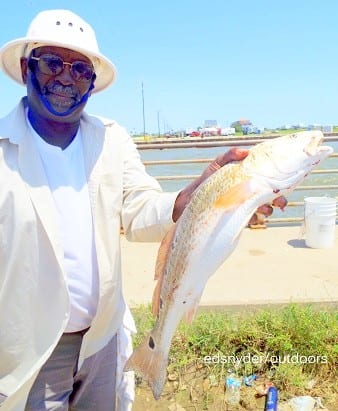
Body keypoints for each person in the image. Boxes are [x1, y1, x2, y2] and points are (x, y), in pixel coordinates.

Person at [0, 9, 285, 411]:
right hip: (30, 352)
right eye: (52, 63)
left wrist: (193, 199)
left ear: (93, 84)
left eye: (81, 69)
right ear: (27, 68)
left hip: (103, 340)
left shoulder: (111, 141)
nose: (67, 77)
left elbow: (139, 209)